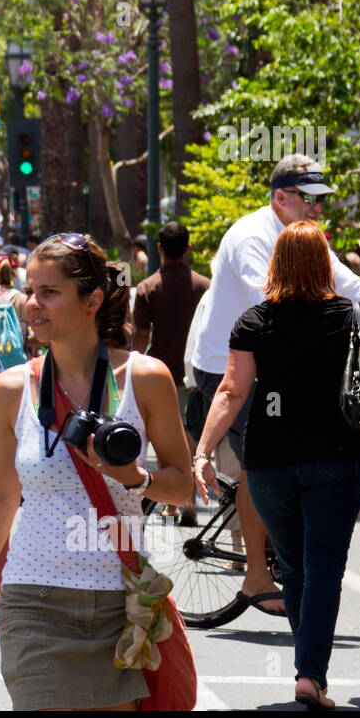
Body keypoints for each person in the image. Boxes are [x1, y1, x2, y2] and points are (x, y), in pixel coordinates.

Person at [0, 232, 193, 710]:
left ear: (92, 300)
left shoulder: (146, 379)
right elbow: (1, 494)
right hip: (33, 598)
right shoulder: (10, 388)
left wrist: (135, 477)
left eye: (49, 292)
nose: (32, 304)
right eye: (30, 291)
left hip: (120, 603)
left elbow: (182, 487)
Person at [193, 220, 360, 710]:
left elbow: (231, 391)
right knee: (325, 567)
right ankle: (311, 675)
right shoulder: (355, 317)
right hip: (339, 459)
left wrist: (204, 451)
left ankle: (308, 670)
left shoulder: (254, 321)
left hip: (270, 462)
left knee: (293, 566)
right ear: (324, 262)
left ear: (277, 262)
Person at [187, 154, 360, 616]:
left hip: (271, 360)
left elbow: (356, 288)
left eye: (321, 200)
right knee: (260, 464)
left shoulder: (305, 238)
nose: (318, 209)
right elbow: (275, 306)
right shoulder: (252, 236)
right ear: (280, 198)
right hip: (229, 365)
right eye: (309, 200)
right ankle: (256, 575)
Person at [132, 221, 211, 525]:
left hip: (156, 375)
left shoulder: (146, 288)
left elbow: (140, 335)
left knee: (161, 440)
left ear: (160, 249)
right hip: (194, 374)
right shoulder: (205, 286)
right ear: (188, 248)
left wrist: (133, 366)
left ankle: (172, 504)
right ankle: (188, 501)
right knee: (189, 442)